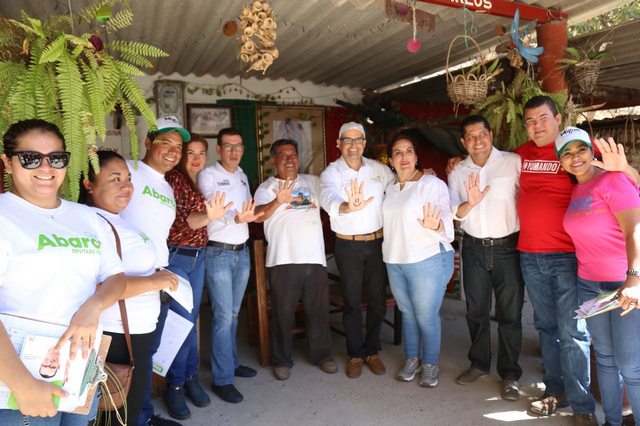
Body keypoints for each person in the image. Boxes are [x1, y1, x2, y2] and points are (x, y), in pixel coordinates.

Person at [0, 119, 125, 425]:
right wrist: (22, 383)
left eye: (56, 158)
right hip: (19, 378)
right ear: (7, 162)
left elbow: (116, 278)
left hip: (79, 369)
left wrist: (93, 307)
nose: (46, 167)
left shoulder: (88, 218)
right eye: (31, 158)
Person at [80, 149, 180, 425]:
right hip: (117, 334)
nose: (126, 186)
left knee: (129, 409)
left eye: (128, 178)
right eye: (115, 179)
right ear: (89, 184)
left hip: (136, 331)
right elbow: (98, 286)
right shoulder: (92, 223)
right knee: (116, 414)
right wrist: (155, 281)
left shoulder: (116, 219)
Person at [556, 127, 640, 426]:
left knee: (630, 365)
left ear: (593, 152)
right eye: (566, 153)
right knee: (604, 358)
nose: (575, 157)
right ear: (561, 161)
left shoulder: (613, 180)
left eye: (581, 149)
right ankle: (612, 422)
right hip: (590, 284)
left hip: (623, 284)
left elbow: (635, 229)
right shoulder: (578, 190)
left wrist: (634, 279)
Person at [447, 115, 524, 400]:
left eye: (482, 134)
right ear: (463, 142)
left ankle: (510, 373)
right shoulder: (457, 171)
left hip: (508, 248)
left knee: (510, 314)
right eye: (471, 136)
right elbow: (454, 213)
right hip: (474, 247)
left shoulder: (513, 162)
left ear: (490, 134)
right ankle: (479, 363)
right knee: (476, 310)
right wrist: (470, 203)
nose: (477, 141)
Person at [119, 115, 189, 426]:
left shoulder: (168, 187)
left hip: (157, 277)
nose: (173, 151)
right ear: (148, 143)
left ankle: (142, 415)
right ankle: (127, 418)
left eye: (178, 146)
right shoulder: (128, 170)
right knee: (127, 356)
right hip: (129, 278)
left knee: (147, 352)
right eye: (166, 143)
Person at [254, 139, 337, 381]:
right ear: (273, 160)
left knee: (318, 311)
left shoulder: (312, 182)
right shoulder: (267, 188)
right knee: (283, 313)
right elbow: (257, 216)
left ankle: (322, 355)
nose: (289, 159)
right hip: (283, 260)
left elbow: (334, 192)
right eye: (283, 155)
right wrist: (278, 200)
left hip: (314, 258)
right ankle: (281, 360)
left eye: (293, 154)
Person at [319, 122, 395, 378]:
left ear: (364, 143)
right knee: (351, 302)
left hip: (377, 243)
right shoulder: (331, 172)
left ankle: (372, 351)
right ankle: (355, 353)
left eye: (358, 140)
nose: (353, 145)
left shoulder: (378, 169)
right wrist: (346, 207)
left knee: (377, 300)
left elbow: (400, 184)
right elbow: (327, 196)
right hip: (348, 244)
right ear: (338, 144)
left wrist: (422, 174)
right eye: (347, 140)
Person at [163, 134, 231, 419]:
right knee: (181, 324)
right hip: (178, 257)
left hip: (198, 256)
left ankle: (190, 379)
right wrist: (210, 216)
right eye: (190, 152)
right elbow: (190, 221)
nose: (196, 158)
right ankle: (175, 386)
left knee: (190, 324)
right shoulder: (175, 180)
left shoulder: (195, 181)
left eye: (201, 153)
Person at [381, 132, 454, 388]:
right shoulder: (389, 188)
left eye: (409, 151)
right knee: (407, 313)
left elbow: (445, 218)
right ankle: (412, 359)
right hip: (394, 259)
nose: (404, 157)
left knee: (426, 315)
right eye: (398, 152)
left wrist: (437, 225)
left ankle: (430, 363)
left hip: (426, 257)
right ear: (391, 160)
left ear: (416, 156)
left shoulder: (431, 184)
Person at [197, 127, 262, 404]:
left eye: (238, 146)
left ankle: (231, 363)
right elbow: (216, 207)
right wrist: (236, 219)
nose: (234, 151)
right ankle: (222, 379)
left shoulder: (242, 175)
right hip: (219, 253)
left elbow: (247, 211)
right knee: (223, 316)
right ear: (219, 149)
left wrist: (246, 218)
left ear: (243, 150)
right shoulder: (208, 175)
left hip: (241, 252)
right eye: (228, 146)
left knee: (233, 314)